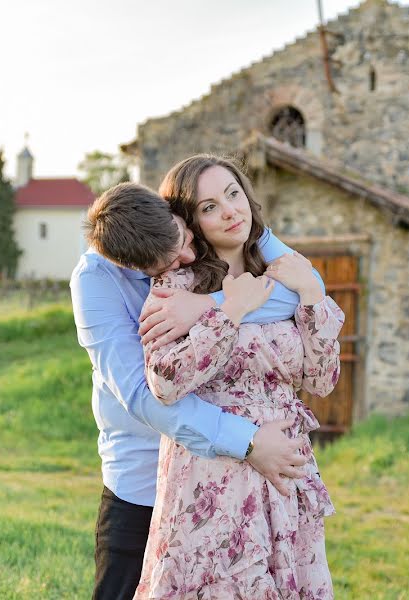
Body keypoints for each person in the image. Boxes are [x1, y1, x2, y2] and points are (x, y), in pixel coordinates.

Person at [70, 181, 327, 600]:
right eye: (169, 263)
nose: (189, 257)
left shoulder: (198, 211)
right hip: (141, 479)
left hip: (226, 482)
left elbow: (303, 286)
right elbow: (141, 395)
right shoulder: (96, 281)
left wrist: (209, 305)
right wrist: (248, 442)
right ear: (133, 266)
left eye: (185, 240)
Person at [134, 155, 343, 599]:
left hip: (286, 476)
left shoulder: (285, 276)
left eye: (233, 194)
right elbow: (165, 381)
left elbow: (322, 380)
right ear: (191, 223)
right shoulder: (177, 286)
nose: (230, 211)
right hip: (216, 480)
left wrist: (310, 293)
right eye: (209, 207)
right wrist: (228, 313)